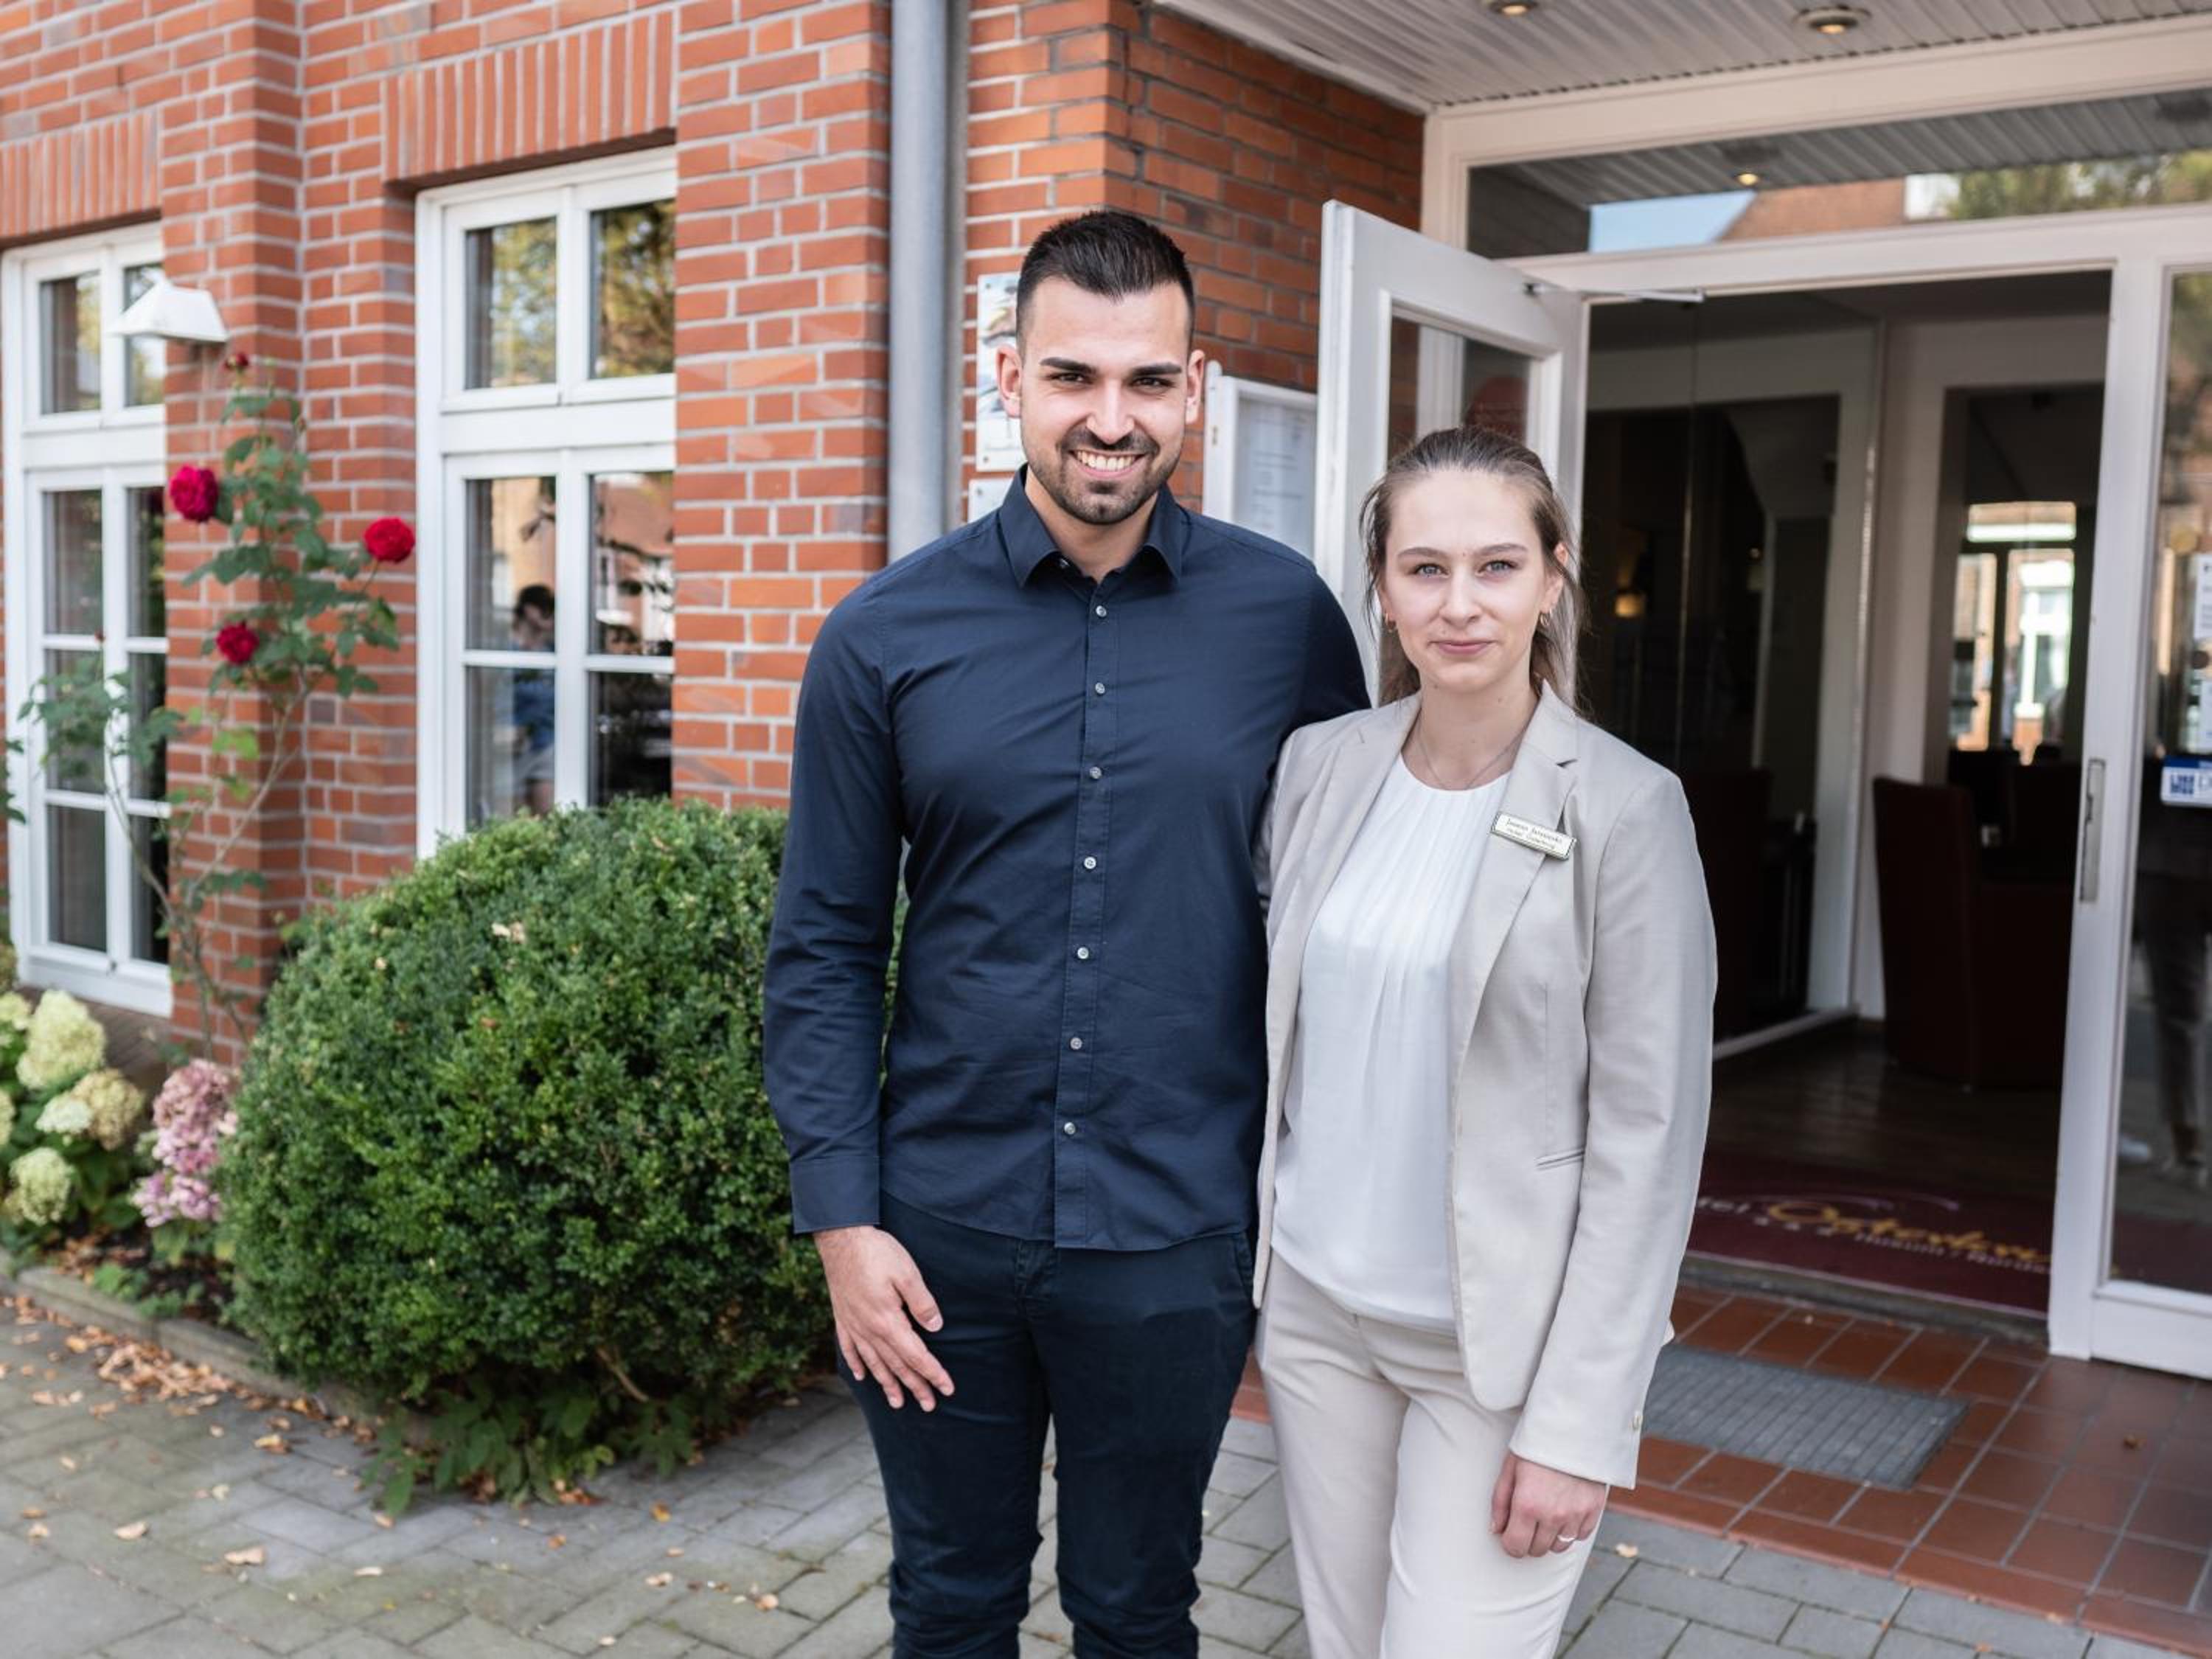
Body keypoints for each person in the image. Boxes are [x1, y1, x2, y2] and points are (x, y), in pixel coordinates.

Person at [763, 210, 1367, 1658]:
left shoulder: (1285, 619)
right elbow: (825, 942)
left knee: (1140, 1609)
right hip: (936, 1235)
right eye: (1073, 377)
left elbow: (1349, 913)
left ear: (1194, 388)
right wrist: (843, 1223)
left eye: (1148, 380)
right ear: (1008, 378)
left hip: (1175, 1231)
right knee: (949, 1602)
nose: (1112, 418)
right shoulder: (882, 635)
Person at [1253, 424, 1716, 1658]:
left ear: (1554, 578)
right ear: (1383, 586)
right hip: (1315, 1314)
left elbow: (1649, 1139)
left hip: (1498, 1351)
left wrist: (1581, 1423)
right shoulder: (1318, 767)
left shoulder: (1627, 806)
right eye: (1425, 568)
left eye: (1497, 566)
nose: (1460, 604)